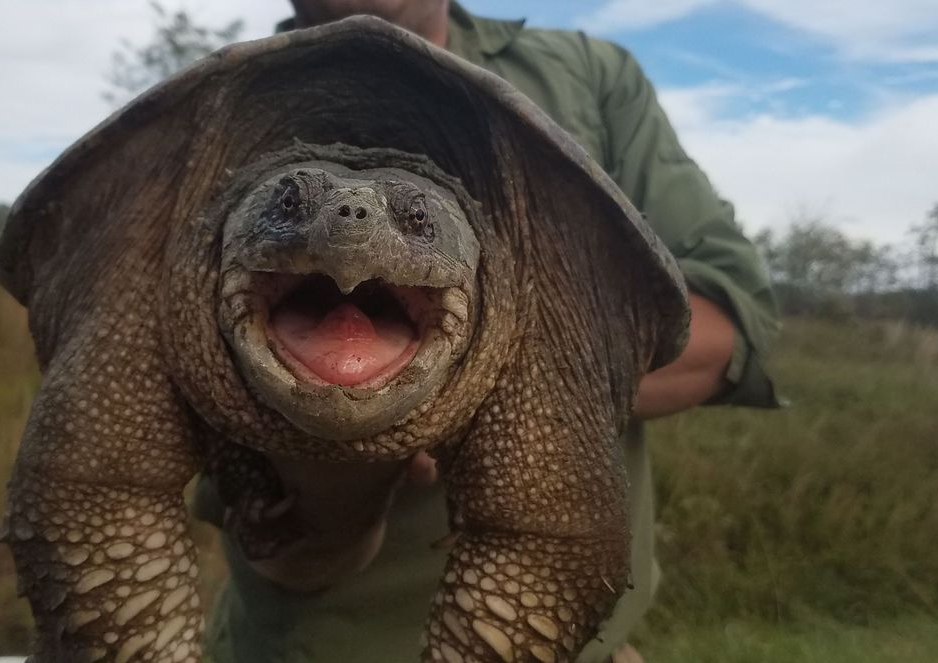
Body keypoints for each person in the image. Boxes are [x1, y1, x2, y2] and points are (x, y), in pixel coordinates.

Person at [197, 2, 781, 661]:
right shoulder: (208, 114)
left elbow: (729, 326)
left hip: (563, 636)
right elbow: (281, 547)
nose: (353, 229)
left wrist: (482, 383)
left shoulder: (585, 77)